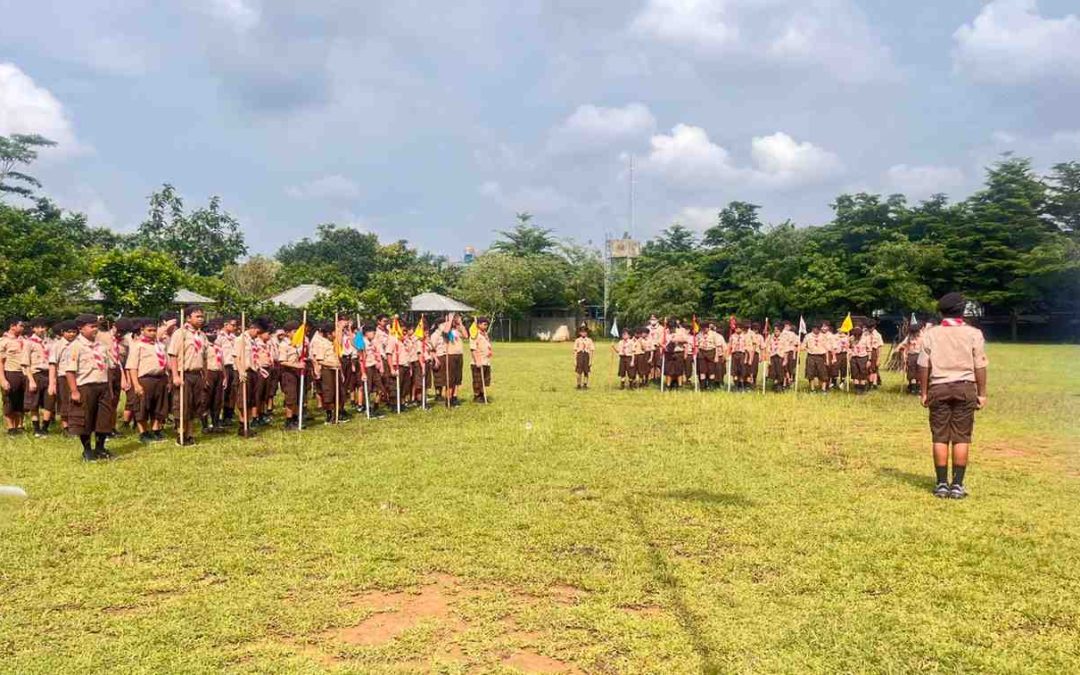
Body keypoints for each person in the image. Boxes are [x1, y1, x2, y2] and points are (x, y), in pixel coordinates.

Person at [918, 293, 989, 500]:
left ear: (941, 312)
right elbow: (980, 365)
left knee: (940, 437)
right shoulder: (974, 333)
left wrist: (924, 392)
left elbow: (923, 365)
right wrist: (982, 393)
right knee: (961, 437)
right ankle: (957, 485)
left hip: (938, 387)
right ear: (962, 311)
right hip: (965, 388)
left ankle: (941, 484)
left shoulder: (931, 334)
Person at [65, 314, 116, 460]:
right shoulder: (75, 346)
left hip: (102, 386)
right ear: (81, 328)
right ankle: (87, 450)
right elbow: (70, 371)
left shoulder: (101, 346)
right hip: (85, 387)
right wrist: (74, 391)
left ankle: (100, 448)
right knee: (85, 419)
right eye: (92, 326)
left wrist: (110, 388)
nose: (95, 329)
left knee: (103, 418)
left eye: (96, 326)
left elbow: (108, 368)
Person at [167, 305, 209, 445]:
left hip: (197, 374)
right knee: (182, 405)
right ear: (188, 318)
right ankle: (181, 434)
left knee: (193, 405)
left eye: (202, 316)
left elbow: (204, 357)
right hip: (183, 373)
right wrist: (175, 376)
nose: (201, 319)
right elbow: (173, 355)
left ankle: (190, 434)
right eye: (197, 316)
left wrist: (205, 376)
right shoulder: (180, 333)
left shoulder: (201, 335)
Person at [126, 318, 169, 443]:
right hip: (145, 379)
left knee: (159, 406)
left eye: (154, 330)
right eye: (149, 330)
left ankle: (156, 429)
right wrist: (136, 384)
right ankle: (143, 432)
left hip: (160, 378)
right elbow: (132, 366)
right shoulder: (138, 346)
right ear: (142, 330)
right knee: (142, 407)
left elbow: (165, 363)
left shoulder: (160, 346)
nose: (152, 333)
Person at [24, 318, 54, 437]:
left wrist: (53, 380)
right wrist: (31, 380)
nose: (41, 329)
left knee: (49, 401)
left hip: (48, 373)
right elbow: (26, 363)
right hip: (35, 374)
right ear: (33, 329)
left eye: (43, 327)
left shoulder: (50, 342)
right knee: (34, 403)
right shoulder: (29, 343)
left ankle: (45, 427)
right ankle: (36, 429)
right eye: (38, 327)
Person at [0, 317, 30, 435]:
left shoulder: (25, 340)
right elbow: (0, 362)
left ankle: (20, 425)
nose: (23, 328)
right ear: (12, 326)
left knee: (22, 400)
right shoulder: (3, 341)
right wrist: (3, 379)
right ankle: (11, 428)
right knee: (9, 400)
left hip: (24, 373)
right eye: (20, 325)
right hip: (11, 372)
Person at [49, 321, 78, 436]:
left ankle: (76, 426)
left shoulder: (79, 344)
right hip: (63, 377)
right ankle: (66, 427)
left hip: (78, 377)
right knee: (64, 402)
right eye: (69, 332)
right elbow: (53, 364)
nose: (71, 334)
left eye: (74, 332)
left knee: (77, 402)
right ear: (62, 332)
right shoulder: (57, 345)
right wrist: (52, 382)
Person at [278, 320, 306, 430]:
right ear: (287, 333)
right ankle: (288, 421)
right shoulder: (284, 345)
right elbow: (282, 361)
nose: (297, 334)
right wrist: (297, 365)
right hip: (288, 373)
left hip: (297, 373)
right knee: (291, 398)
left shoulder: (297, 344)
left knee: (298, 396)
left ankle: (295, 418)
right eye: (294, 331)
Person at [469, 316, 493, 403]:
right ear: (479, 324)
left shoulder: (485, 334)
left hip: (486, 361)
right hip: (478, 361)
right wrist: (477, 360)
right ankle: (477, 396)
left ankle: (482, 395)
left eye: (487, 325)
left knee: (484, 380)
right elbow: (473, 348)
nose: (486, 326)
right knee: (478, 380)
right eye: (484, 324)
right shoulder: (475, 334)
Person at [803, 323, 830, 393]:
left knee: (823, 373)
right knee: (810, 373)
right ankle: (812, 389)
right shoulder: (808, 336)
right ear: (812, 328)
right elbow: (803, 346)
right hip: (811, 356)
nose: (817, 330)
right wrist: (806, 349)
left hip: (821, 356)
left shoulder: (823, 337)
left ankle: (823, 389)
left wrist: (827, 359)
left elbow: (826, 348)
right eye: (815, 328)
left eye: (818, 329)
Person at [898, 322, 923, 395]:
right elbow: (903, 345)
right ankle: (913, 388)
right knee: (912, 373)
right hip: (911, 356)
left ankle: (918, 388)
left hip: (920, 356)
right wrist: (901, 349)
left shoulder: (923, 337)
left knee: (919, 372)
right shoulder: (909, 337)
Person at [849, 325, 870, 394]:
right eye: (855, 335)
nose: (857, 337)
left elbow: (869, 349)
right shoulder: (851, 338)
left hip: (863, 357)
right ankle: (857, 389)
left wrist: (869, 360)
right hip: (854, 357)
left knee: (862, 373)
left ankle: (862, 388)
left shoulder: (866, 339)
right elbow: (849, 347)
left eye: (858, 335)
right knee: (855, 373)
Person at [764, 323, 786, 392]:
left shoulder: (784, 338)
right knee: (773, 372)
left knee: (780, 372)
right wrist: (768, 359)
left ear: (780, 331)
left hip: (780, 357)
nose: (775, 332)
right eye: (774, 330)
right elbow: (767, 348)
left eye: (777, 331)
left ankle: (780, 386)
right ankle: (775, 385)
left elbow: (786, 350)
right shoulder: (770, 337)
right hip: (772, 356)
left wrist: (785, 360)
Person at [573, 325, 594, 389]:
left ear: (587, 333)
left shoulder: (589, 340)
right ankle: (578, 384)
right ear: (580, 333)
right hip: (580, 356)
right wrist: (575, 360)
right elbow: (575, 351)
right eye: (582, 332)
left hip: (586, 356)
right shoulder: (577, 340)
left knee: (586, 371)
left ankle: (585, 384)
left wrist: (590, 361)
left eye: (585, 332)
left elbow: (591, 351)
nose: (583, 333)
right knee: (578, 372)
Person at [867, 319, 884, 388]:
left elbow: (879, 347)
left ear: (874, 326)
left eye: (870, 327)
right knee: (867, 368)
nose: (869, 329)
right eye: (868, 327)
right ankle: (869, 381)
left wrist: (879, 358)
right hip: (866, 352)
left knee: (874, 368)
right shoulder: (864, 334)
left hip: (874, 352)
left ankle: (874, 383)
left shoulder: (878, 335)